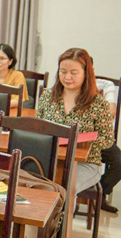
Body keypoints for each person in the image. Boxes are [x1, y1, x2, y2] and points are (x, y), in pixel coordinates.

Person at [36, 48, 115, 196]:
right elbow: (38, 128)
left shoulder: (98, 103)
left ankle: (62, 218)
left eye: (74, 72)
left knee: (65, 186)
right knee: (31, 182)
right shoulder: (47, 96)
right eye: (63, 71)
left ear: (86, 73)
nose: (67, 77)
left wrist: (82, 143)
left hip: (85, 163)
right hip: (51, 158)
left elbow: (107, 140)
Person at [93, 62, 120, 213]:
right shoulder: (67, 85)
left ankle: (99, 194)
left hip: (99, 137)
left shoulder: (104, 85)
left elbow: (111, 113)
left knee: (119, 162)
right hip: (75, 137)